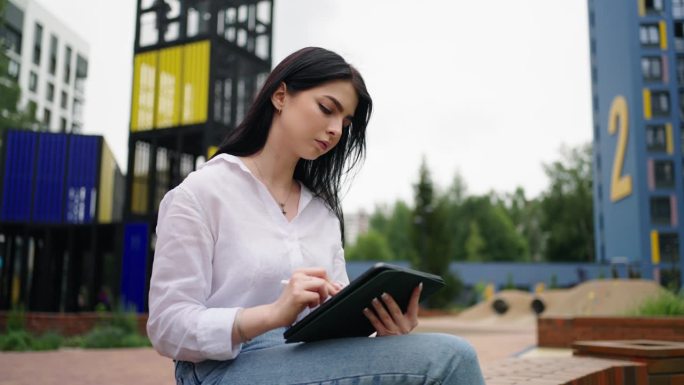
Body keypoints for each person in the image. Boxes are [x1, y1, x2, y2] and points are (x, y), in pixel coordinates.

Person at [147, 47, 485, 385]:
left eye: (346, 122)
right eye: (327, 109)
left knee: (418, 358)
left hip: (306, 358)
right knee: (452, 357)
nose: (337, 130)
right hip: (222, 368)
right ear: (280, 96)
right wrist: (272, 315)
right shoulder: (202, 193)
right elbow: (166, 325)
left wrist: (380, 338)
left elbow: (335, 327)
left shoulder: (322, 214)